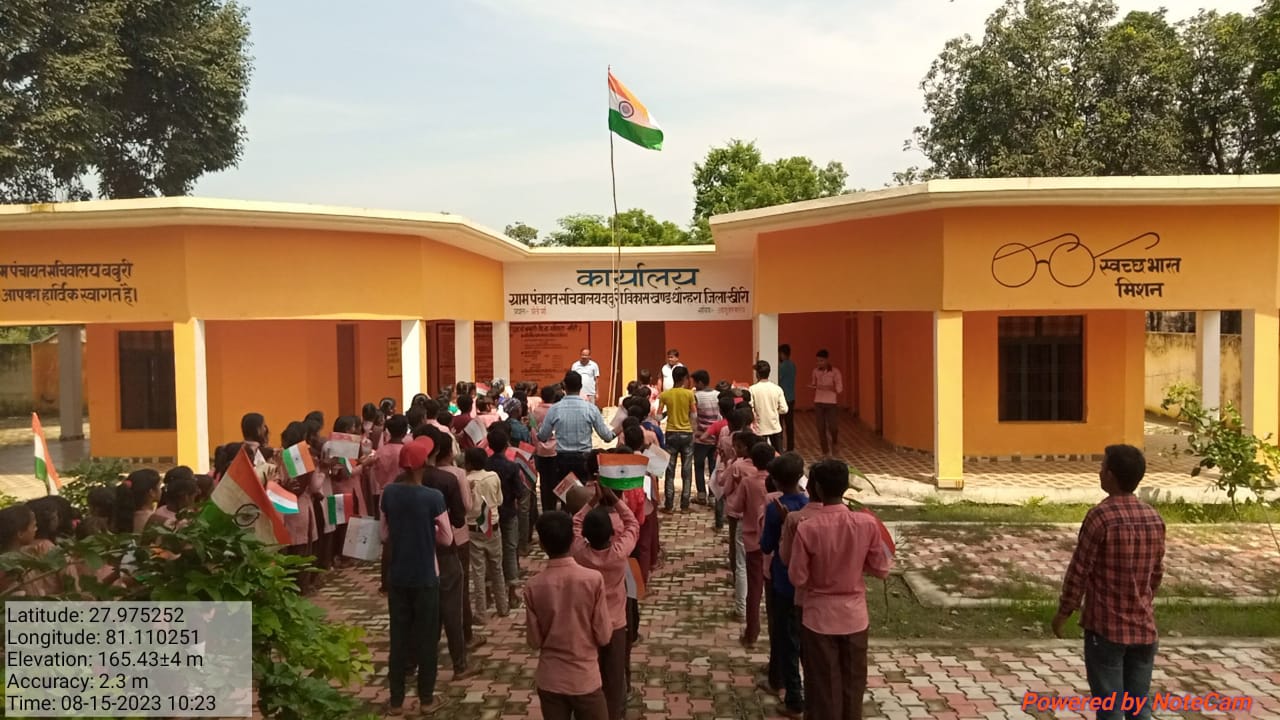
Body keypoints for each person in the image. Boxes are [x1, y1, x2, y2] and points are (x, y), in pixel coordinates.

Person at [1053, 445, 1166, 720]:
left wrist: (1064, 612)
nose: (1099, 472)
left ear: (1112, 476)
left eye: (1102, 467)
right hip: (1144, 630)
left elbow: (1079, 571)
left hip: (1106, 632)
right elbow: (1156, 574)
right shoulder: (1154, 518)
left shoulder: (1100, 517)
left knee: (1110, 710)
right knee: (1138, 709)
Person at [788, 459, 893, 720]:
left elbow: (798, 577)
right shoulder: (866, 524)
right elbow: (881, 568)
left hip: (819, 617)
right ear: (846, 486)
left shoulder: (807, 528)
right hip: (855, 616)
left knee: (823, 686)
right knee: (853, 684)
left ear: (818, 489)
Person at [381, 439, 452, 716]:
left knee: (398, 638)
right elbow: (446, 537)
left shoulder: (389, 493)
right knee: (426, 639)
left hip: (398, 574)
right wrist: (426, 534)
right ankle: (426, 699)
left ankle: (396, 701)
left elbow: (384, 535)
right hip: (426, 574)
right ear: (425, 463)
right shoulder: (433, 497)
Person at [524, 511, 613, 720]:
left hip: (551, 679)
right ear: (574, 540)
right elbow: (603, 635)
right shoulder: (592, 580)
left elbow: (534, 641)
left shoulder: (533, 586)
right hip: (584, 677)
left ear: (542, 546)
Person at [572, 486, 640, 720]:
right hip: (615, 623)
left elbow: (576, 523)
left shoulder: (579, 553)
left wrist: (592, 502)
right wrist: (616, 501)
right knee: (614, 675)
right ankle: (613, 714)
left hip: (588, 624)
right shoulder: (619, 553)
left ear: (587, 536)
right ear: (612, 534)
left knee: (590, 673)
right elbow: (632, 525)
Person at [419, 429, 476, 679]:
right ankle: (460, 661)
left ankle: (415, 664)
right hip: (448, 545)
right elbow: (461, 514)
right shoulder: (448, 479)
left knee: (419, 610)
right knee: (453, 602)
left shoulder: (398, 485)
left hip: (416, 551)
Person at [759, 452, 808, 718]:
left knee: (786, 639)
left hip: (783, 581)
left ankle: (794, 698)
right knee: (802, 640)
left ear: (775, 481)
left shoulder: (775, 508)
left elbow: (766, 544)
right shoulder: (809, 503)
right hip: (807, 585)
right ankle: (806, 690)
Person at [538, 370, 616, 488]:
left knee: (565, 496)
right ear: (580, 387)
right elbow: (607, 436)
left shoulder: (555, 409)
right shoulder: (591, 409)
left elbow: (542, 437)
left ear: (564, 386)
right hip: (584, 460)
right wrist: (618, 430)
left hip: (561, 460)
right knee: (583, 496)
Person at [738, 442, 776, 648]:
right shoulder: (779, 484)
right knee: (773, 592)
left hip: (754, 541)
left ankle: (752, 632)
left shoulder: (748, 482)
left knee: (754, 589)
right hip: (777, 547)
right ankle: (773, 636)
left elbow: (735, 506)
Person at [464, 447, 508, 620]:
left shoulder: (466, 481)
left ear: (467, 463)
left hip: (473, 529)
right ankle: (502, 607)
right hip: (493, 526)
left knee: (478, 571)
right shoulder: (493, 476)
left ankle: (481, 612)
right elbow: (499, 500)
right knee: (497, 568)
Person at [487, 429, 526, 611]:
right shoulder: (512, 467)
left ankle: (488, 592)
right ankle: (512, 592)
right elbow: (520, 491)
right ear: (506, 445)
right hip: (509, 511)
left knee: (489, 552)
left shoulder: (485, 465)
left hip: (488, 514)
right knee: (510, 549)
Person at [657, 366, 697, 513]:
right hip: (686, 433)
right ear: (684, 379)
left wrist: (668, 414)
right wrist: (693, 428)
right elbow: (694, 415)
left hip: (671, 433)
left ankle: (669, 505)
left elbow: (658, 416)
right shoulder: (689, 394)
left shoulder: (665, 395)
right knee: (687, 471)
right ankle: (685, 505)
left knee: (670, 470)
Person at [692, 369, 721, 507]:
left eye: (695, 382)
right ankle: (712, 496)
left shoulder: (696, 396)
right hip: (715, 436)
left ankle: (701, 495)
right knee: (713, 467)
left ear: (700, 382)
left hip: (701, 437)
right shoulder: (718, 394)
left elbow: (693, 416)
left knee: (698, 466)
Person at [749, 360, 789, 453]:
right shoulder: (777, 389)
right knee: (778, 453)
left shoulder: (752, 389)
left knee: (761, 455)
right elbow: (784, 409)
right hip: (775, 426)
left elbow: (750, 407)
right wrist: (774, 411)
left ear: (757, 374)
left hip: (760, 428)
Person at [811, 349, 844, 457]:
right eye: (818, 361)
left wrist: (828, 387)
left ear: (826, 360)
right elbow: (813, 384)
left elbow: (839, 389)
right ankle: (825, 451)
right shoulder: (815, 371)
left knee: (833, 426)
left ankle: (835, 442)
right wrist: (814, 386)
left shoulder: (835, 372)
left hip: (831, 403)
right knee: (820, 428)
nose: (819, 363)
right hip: (818, 401)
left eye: (821, 361)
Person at [533, 385, 561, 513]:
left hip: (540, 451)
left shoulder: (535, 411)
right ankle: (554, 508)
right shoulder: (558, 411)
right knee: (556, 480)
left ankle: (546, 510)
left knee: (544, 482)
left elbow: (533, 430)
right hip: (556, 450)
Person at [114, 469, 162, 533]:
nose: (161, 490)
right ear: (151, 492)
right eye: (159, 486)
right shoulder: (158, 521)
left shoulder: (118, 516)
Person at [778, 345, 797, 452]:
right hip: (791, 397)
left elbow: (778, 379)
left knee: (779, 424)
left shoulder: (782, 367)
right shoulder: (793, 365)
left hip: (782, 398)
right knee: (790, 424)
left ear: (782, 354)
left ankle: (780, 446)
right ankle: (791, 447)